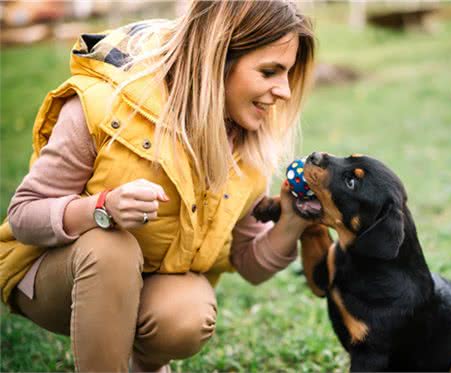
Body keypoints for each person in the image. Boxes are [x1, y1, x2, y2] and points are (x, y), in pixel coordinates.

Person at [0, 1, 316, 371]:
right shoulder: (106, 105)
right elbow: (23, 215)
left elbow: (248, 261)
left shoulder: (245, 145)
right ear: (217, 57)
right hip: (50, 276)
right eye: (269, 71)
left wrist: (292, 221)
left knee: (186, 313)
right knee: (111, 247)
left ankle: (146, 365)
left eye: (287, 74)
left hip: (147, 282)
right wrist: (102, 208)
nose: (284, 91)